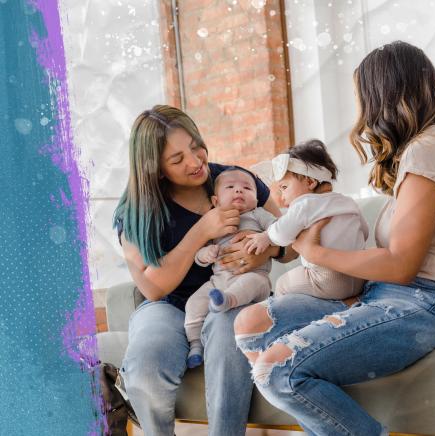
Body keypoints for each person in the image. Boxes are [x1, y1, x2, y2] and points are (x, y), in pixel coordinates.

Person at [233, 40, 435, 436]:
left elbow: (402, 265)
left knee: (277, 370)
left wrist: (315, 251)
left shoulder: (430, 150)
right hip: (393, 292)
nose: (363, 113)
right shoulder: (420, 151)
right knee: (252, 324)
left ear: (382, 96)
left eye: (364, 98)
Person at [112, 105, 285, 435]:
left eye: (195, 146)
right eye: (177, 160)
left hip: (234, 297)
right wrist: (202, 231)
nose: (194, 162)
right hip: (168, 305)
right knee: (146, 365)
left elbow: (289, 237)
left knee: (226, 332)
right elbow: (152, 288)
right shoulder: (135, 211)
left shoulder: (235, 181)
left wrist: (263, 248)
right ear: (156, 170)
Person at [246, 139, 368, 299]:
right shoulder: (347, 202)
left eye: (284, 187)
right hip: (359, 275)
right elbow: (364, 232)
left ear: (310, 182)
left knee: (282, 283)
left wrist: (266, 236)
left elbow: (282, 234)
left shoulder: (304, 204)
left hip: (327, 278)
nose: (282, 198)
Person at [184, 167, 277, 368]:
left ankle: (227, 302)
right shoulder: (214, 221)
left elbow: (279, 229)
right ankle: (195, 345)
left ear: (256, 198)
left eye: (247, 188)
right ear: (216, 201)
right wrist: (205, 255)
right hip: (219, 280)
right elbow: (199, 254)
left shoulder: (258, 214)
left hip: (255, 277)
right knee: (193, 303)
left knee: (251, 283)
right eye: (230, 187)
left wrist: (265, 238)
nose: (238, 191)